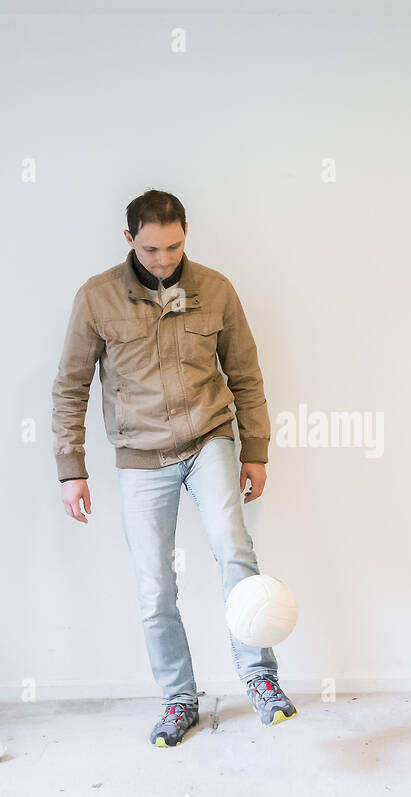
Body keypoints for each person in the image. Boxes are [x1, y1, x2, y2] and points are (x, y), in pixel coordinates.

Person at [50, 189, 297, 747]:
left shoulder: (216, 289)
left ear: (187, 231)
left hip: (210, 438)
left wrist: (254, 450)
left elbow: (246, 375)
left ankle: (260, 682)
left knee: (235, 554)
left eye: (174, 246)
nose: (164, 259)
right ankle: (179, 699)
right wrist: (72, 469)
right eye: (152, 248)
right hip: (140, 456)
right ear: (129, 239)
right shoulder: (95, 298)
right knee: (155, 586)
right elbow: (70, 387)